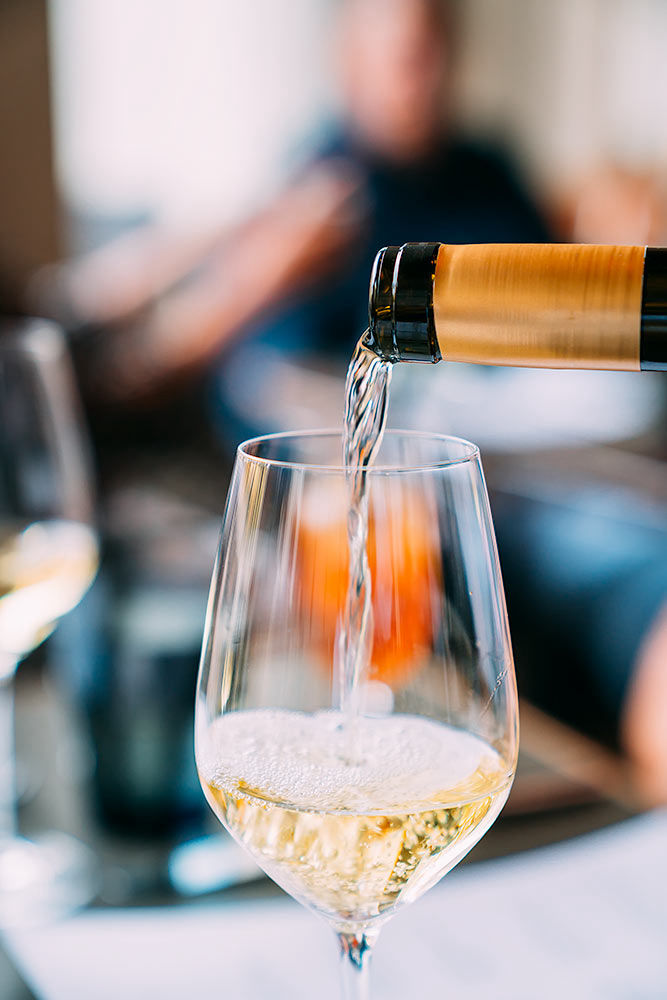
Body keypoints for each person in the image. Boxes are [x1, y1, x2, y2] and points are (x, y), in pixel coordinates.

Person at [40, 0, 667, 804]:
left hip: (537, 479)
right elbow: (268, 384)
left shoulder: (485, 170)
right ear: (348, 56)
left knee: (631, 563)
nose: (417, 74)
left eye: (430, 51)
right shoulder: (316, 195)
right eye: (398, 51)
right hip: (402, 498)